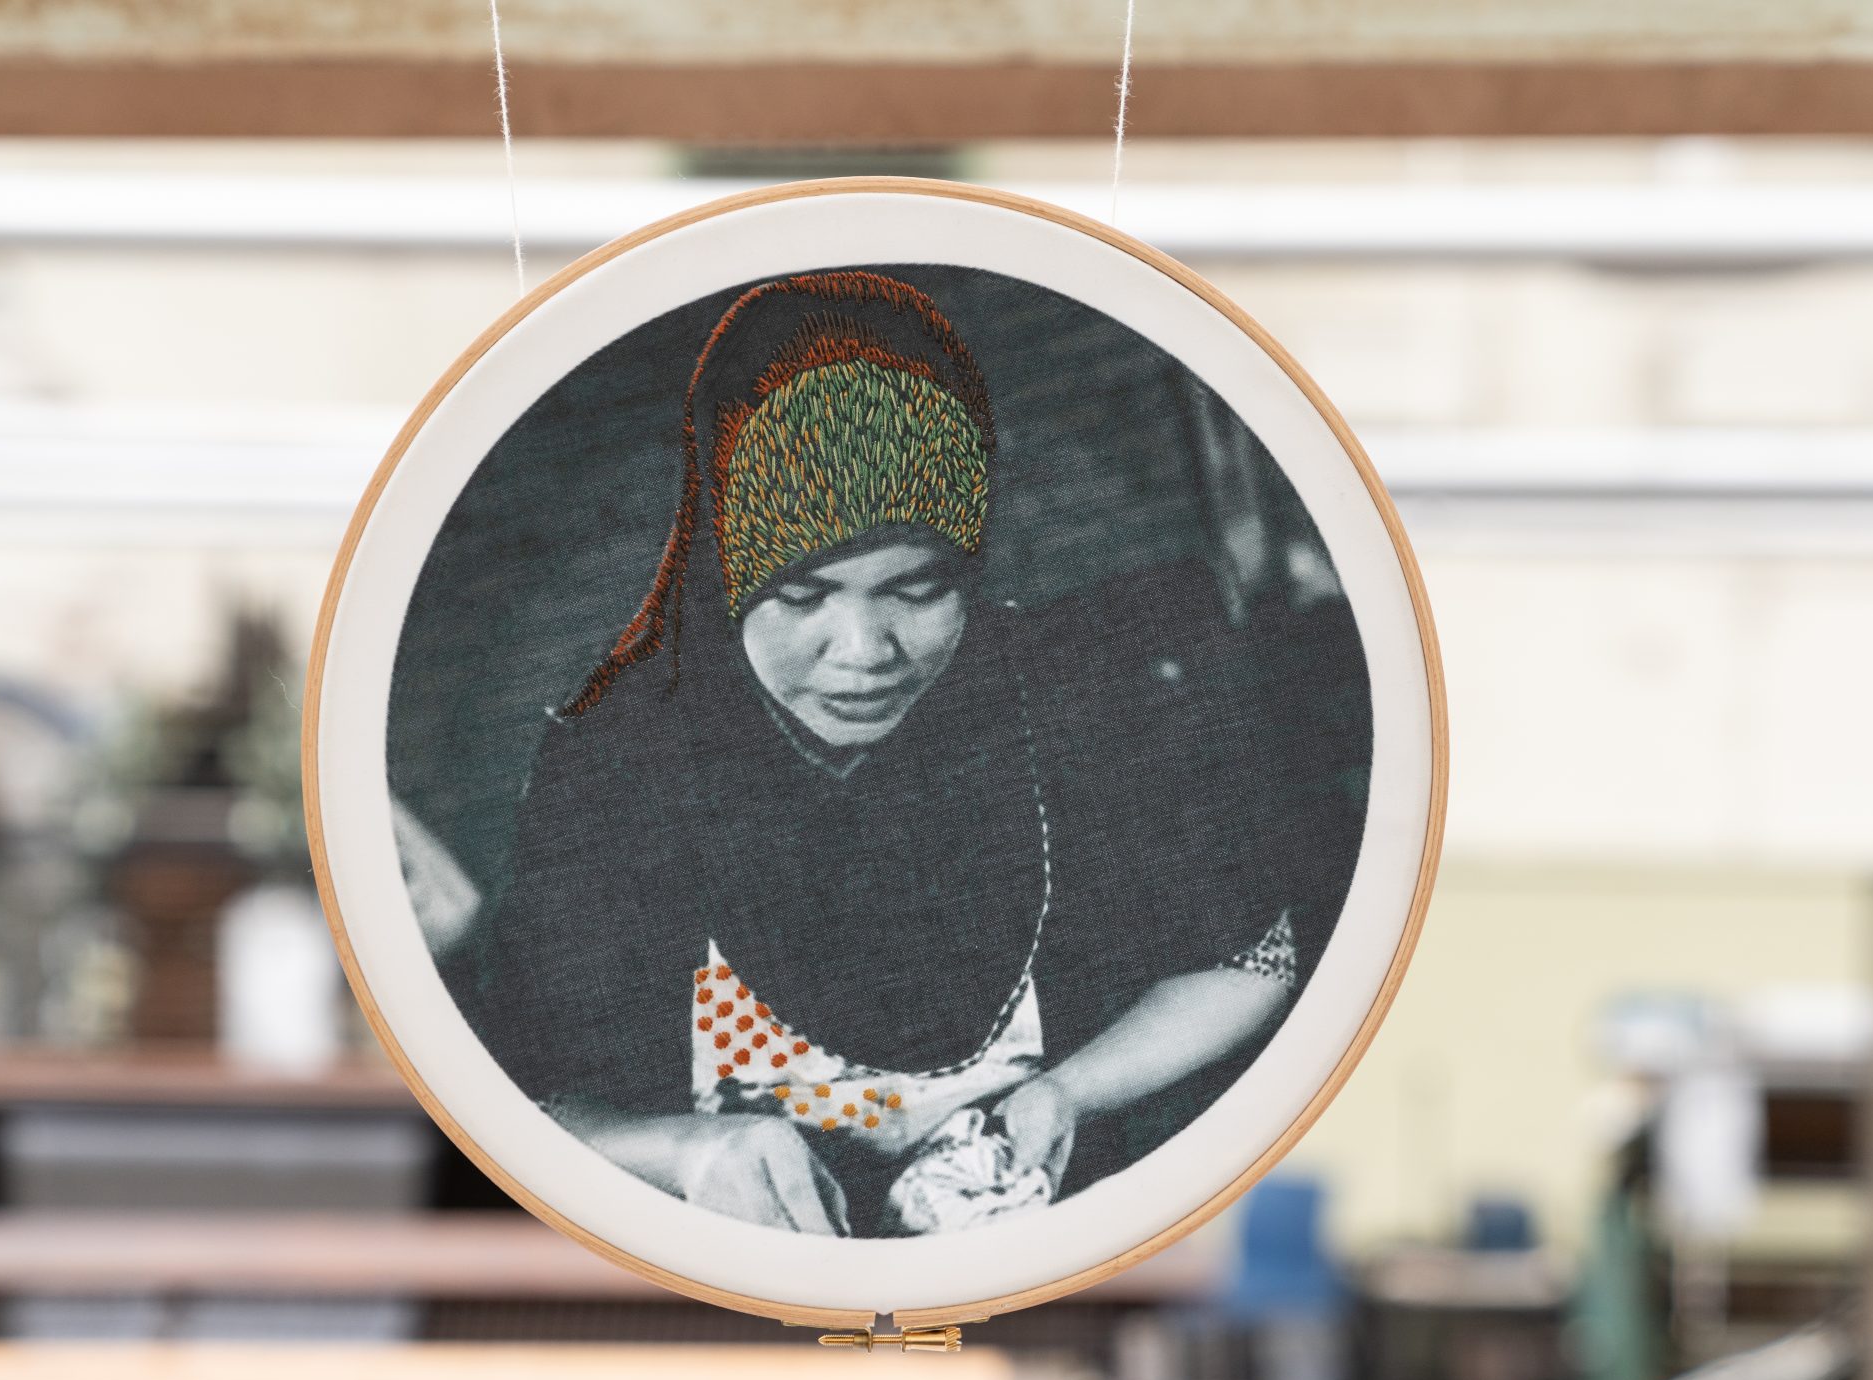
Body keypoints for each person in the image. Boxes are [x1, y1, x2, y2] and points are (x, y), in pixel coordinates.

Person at [449, 270, 1369, 1237]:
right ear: (724, 571)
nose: (865, 652)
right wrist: (688, 1148)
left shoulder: (1075, 700)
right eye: (804, 594)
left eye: (919, 589)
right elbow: (520, 1100)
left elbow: (1250, 959)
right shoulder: (615, 767)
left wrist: (1066, 1094)